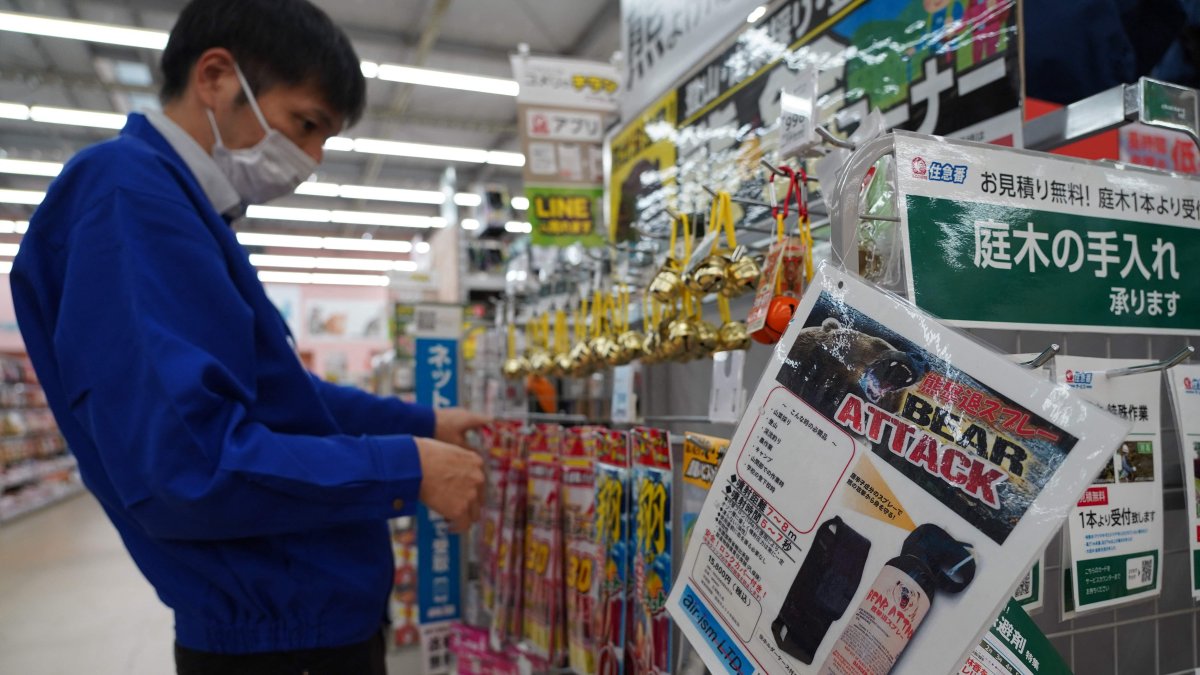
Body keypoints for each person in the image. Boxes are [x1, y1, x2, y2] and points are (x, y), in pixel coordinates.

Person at [10, 0, 488, 672]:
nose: (314, 158)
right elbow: (188, 466)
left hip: (299, 623)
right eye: (306, 124)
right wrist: (403, 465)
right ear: (215, 77)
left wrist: (425, 421)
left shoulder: (183, 210)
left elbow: (278, 398)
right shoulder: (128, 197)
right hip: (278, 642)